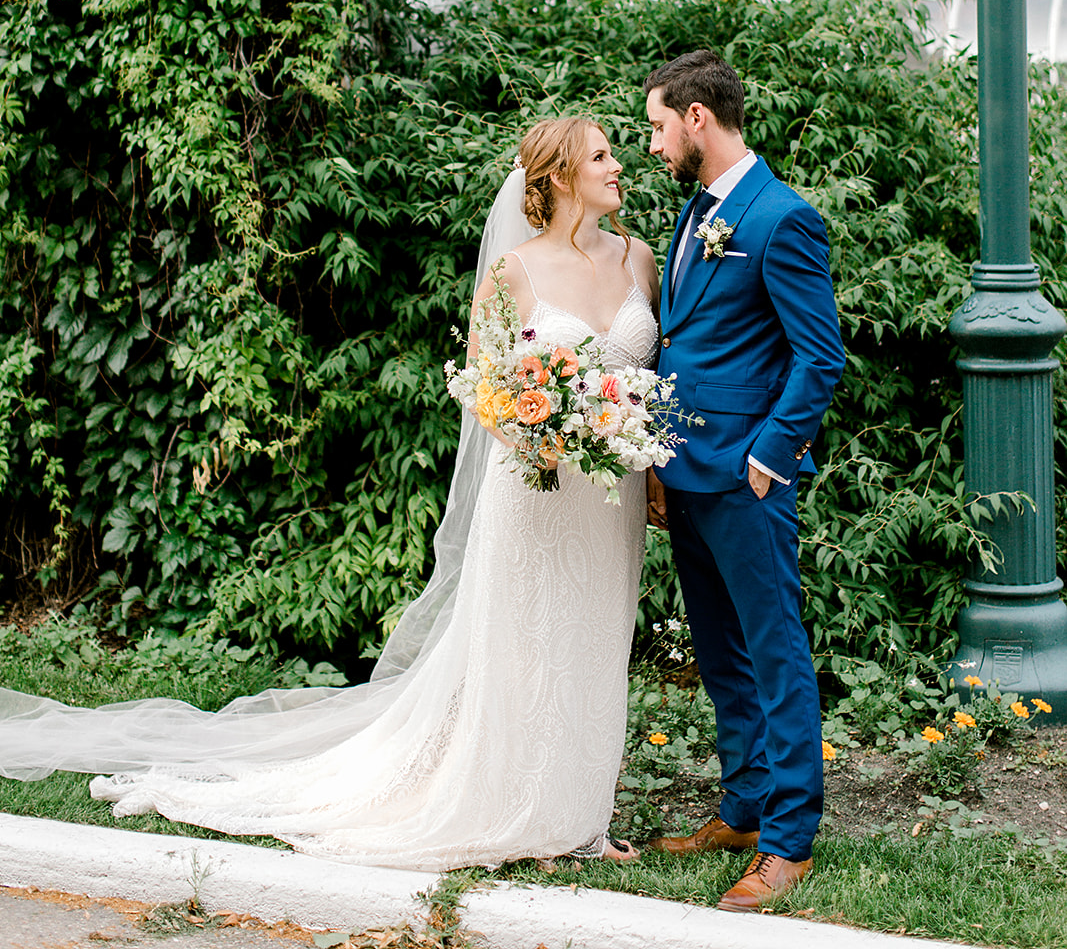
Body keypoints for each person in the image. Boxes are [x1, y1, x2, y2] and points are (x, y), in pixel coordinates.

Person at [0, 116, 659, 871]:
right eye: (601, 156)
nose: (617, 165)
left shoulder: (638, 259)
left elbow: (651, 376)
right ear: (559, 176)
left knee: (594, 642)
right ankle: (523, 808)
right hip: (534, 491)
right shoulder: (515, 271)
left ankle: (581, 814)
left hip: (610, 497)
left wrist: (623, 440)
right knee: (526, 647)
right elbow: (483, 386)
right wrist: (543, 432)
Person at [643, 50, 845, 913]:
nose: (653, 145)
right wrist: (654, 458)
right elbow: (679, 342)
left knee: (773, 652)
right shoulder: (695, 212)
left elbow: (819, 355)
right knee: (720, 653)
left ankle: (787, 838)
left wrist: (768, 457)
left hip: (745, 477)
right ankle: (743, 808)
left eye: (658, 126)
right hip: (684, 470)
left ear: (697, 116)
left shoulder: (780, 217)